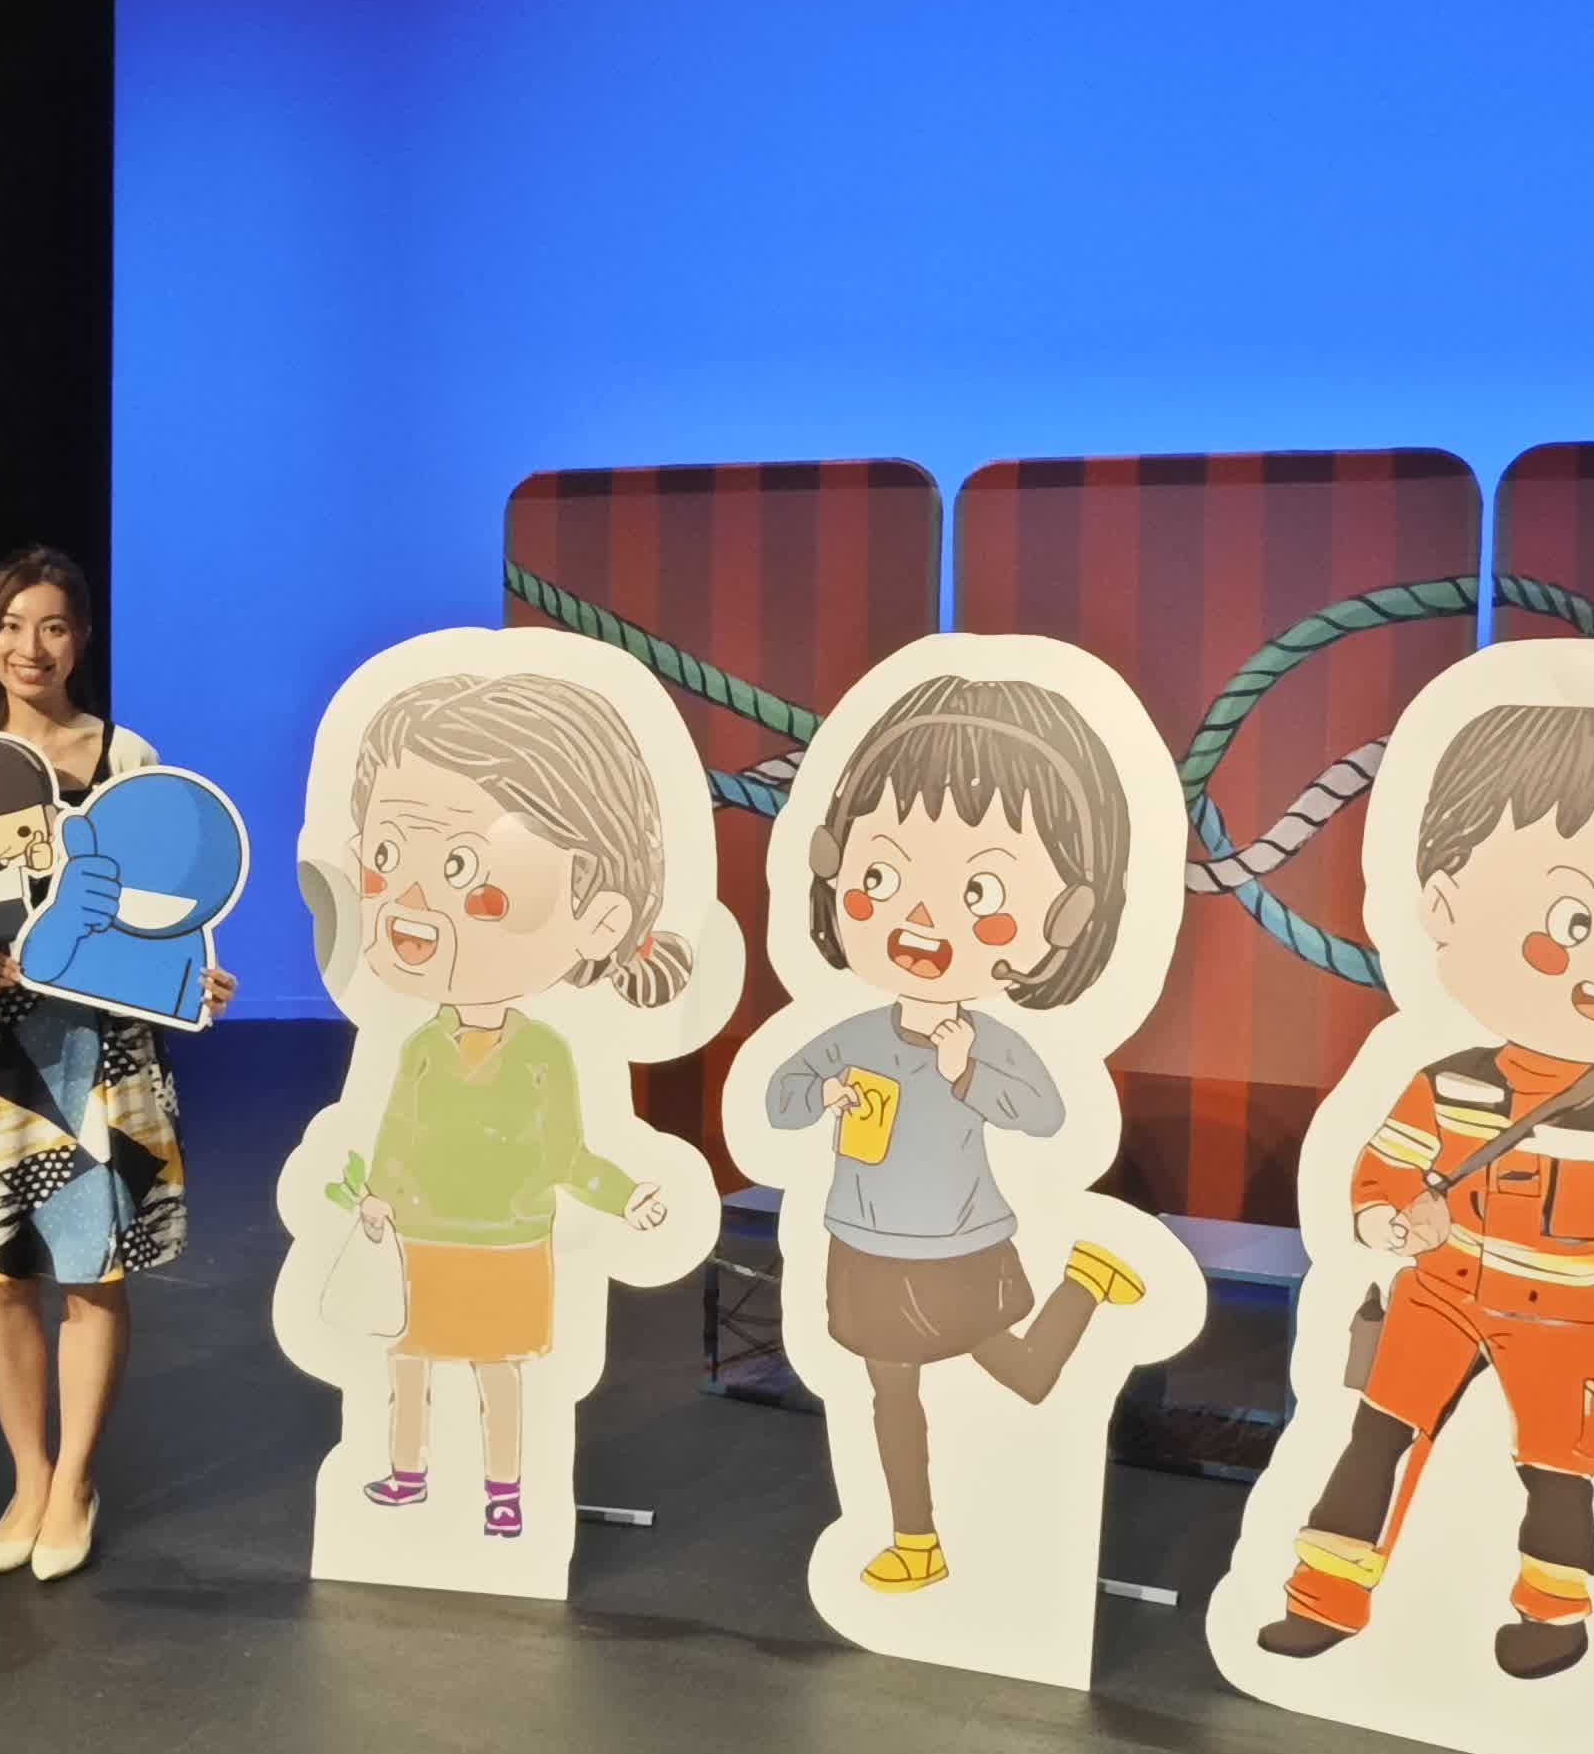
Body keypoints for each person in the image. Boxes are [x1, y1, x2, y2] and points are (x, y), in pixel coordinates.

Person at [1259, 703, 1594, 1680]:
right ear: (1445, 909)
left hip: (1568, 1321)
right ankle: (1322, 1598)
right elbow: (1386, 1164)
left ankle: (1553, 1616)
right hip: (1439, 1295)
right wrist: (1386, 1218)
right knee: (1374, 1438)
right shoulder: (1449, 1082)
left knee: (1559, 1474)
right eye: (1572, 922)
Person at [760, 674, 1149, 1597]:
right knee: (889, 1389)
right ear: (833, 865)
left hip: (962, 1245)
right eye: (883, 878)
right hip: (864, 1247)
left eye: (979, 890)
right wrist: (824, 1092)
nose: (923, 922)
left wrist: (967, 1070)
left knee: (1024, 1373)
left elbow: (1044, 1115)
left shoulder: (986, 1037)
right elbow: (780, 1098)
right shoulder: (856, 1036)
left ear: (1063, 920)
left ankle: (1085, 1286)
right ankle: (915, 1540)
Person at [0, 549, 234, 1584]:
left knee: (94, 1273)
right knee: (1, 1278)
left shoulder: (125, 757)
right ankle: (28, 1476)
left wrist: (192, 977)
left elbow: (167, 901)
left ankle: (75, 1482)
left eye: (52, 626)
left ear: (82, 638)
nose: (30, 648)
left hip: (103, 1054)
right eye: (11, 625)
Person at [332, 670, 690, 1540]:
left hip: (508, 1244)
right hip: (424, 1236)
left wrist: (627, 1197)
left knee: (499, 1368)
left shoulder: (543, 1055)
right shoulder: (422, 1046)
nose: (413, 904)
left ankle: (504, 1491)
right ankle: (408, 1473)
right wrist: (378, 1195)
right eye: (386, 858)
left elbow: (568, 1155)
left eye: (464, 869)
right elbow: (398, 1132)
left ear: (601, 918)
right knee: (411, 1360)